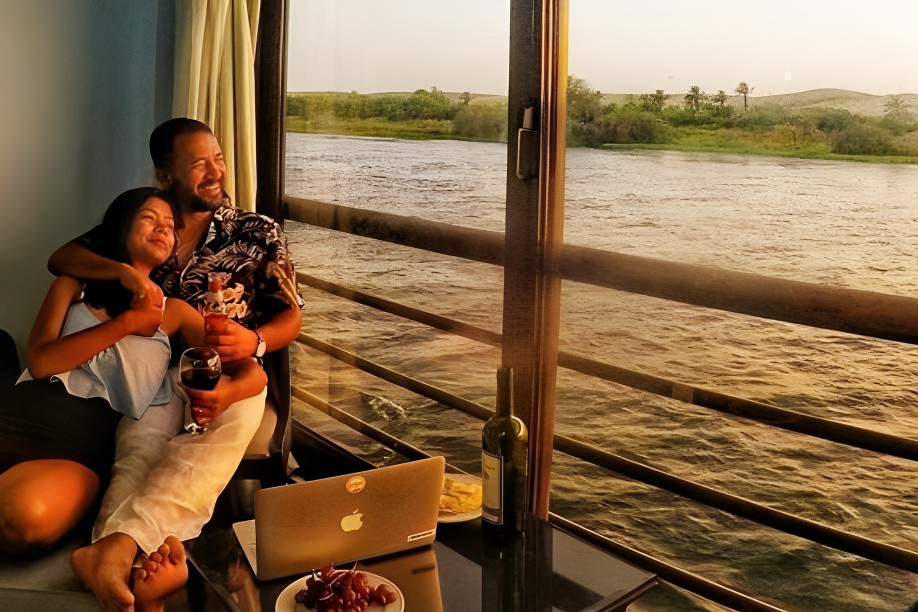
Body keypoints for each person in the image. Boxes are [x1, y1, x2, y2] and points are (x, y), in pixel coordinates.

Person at [48, 118, 303, 611]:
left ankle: (112, 554)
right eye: (199, 164)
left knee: (200, 453)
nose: (216, 172)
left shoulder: (255, 231)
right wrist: (125, 273)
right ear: (166, 174)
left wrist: (254, 341)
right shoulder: (149, 224)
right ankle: (129, 569)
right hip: (158, 373)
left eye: (218, 159)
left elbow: (292, 316)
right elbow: (63, 257)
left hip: (236, 372)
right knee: (138, 450)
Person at [0, 188, 264, 560]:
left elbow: (249, 369)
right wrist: (126, 321)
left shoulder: (175, 313)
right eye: (149, 218)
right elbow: (42, 362)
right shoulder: (72, 286)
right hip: (20, 413)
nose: (163, 228)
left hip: (79, 449)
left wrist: (230, 393)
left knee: (23, 521)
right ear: (122, 227)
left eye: (170, 225)